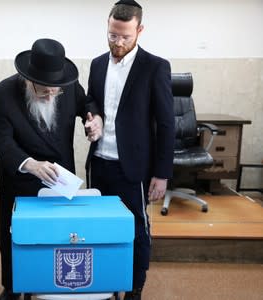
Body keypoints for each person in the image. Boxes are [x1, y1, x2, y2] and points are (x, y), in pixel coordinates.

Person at [0, 38, 103, 300]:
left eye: (57, 90)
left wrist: (93, 119)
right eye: (45, 90)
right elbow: (2, 141)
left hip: (59, 177)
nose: (52, 94)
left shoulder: (67, 85)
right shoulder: (4, 93)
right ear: (29, 79)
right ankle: (12, 286)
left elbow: (87, 103)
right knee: (13, 235)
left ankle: (51, 281)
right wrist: (29, 164)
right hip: (22, 174)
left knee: (57, 232)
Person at [85, 0, 175, 299]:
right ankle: (106, 284)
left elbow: (165, 124)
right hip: (98, 162)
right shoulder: (97, 63)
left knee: (136, 230)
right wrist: (94, 116)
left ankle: (134, 288)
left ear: (140, 30)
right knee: (100, 228)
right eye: (112, 35)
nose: (118, 42)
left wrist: (162, 174)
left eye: (125, 36)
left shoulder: (156, 66)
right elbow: (91, 100)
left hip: (133, 166)